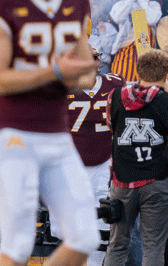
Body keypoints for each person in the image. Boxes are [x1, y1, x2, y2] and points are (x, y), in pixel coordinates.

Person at [0, 0, 99, 266]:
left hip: (57, 135)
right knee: (17, 245)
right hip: (13, 135)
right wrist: (56, 73)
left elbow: (86, 77)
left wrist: (70, 74)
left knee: (86, 237)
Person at [51, 46, 124, 266]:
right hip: (71, 163)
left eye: (93, 58)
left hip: (104, 162)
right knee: (66, 227)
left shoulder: (115, 84)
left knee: (102, 223)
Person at [104, 50, 168, 265]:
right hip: (156, 180)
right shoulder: (165, 100)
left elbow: (111, 127)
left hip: (121, 180)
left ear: (137, 71)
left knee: (116, 244)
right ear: (165, 75)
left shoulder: (114, 96)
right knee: (153, 245)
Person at [109, 0, 161, 82]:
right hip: (124, 53)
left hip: (145, 53)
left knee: (145, 87)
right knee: (122, 87)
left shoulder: (152, 4)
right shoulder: (121, 4)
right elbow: (117, 18)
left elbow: (152, 20)